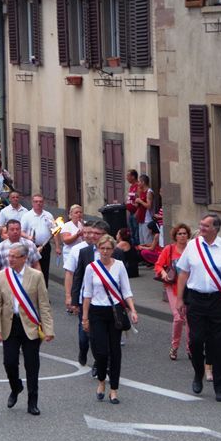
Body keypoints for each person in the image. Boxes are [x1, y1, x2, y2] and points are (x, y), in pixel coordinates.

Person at [175, 214, 221, 402]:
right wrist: (179, 299)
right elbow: (183, 273)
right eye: (201, 224)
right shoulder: (192, 246)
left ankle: (220, 387)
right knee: (195, 341)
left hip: (217, 301)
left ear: (215, 228)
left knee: (219, 344)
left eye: (205, 225)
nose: (201, 227)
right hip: (195, 300)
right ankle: (198, 373)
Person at [0, 244, 54, 415]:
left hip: (31, 325)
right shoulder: (2, 276)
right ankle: (16, 386)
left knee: (32, 365)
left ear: (24, 258)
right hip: (9, 325)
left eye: (14, 256)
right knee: (9, 362)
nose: (10, 259)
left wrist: (48, 329)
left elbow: (43, 304)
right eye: (9, 256)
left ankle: (32, 401)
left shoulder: (36, 276)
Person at [82, 235, 139, 404]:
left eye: (108, 248)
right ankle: (101, 381)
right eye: (102, 248)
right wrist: (85, 317)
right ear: (98, 249)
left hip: (115, 312)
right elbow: (87, 294)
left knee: (115, 351)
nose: (105, 252)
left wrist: (133, 310)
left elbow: (126, 291)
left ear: (113, 250)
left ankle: (114, 389)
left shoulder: (119, 266)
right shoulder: (91, 268)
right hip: (96, 312)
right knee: (100, 351)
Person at [70, 220, 124, 369]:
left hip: (107, 302)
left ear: (106, 236)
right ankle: (83, 351)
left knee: (101, 337)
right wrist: (74, 300)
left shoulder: (117, 253)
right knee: (84, 336)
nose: (93, 236)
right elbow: (78, 277)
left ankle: (99, 363)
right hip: (87, 301)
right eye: (92, 233)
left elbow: (122, 280)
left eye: (97, 234)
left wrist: (124, 303)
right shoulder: (85, 252)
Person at [155, 223, 190, 361]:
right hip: (173, 287)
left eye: (184, 233)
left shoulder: (191, 250)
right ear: (175, 236)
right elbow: (158, 265)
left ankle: (190, 348)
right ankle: (174, 347)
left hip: (189, 288)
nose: (182, 236)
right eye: (179, 234)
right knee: (178, 317)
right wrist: (163, 273)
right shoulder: (169, 249)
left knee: (189, 319)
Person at [20, 194, 55, 287]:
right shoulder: (26, 216)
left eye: (40, 201)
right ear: (32, 203)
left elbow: (55, 231)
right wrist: (28, 237)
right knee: (31, 270)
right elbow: (21, 231)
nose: (38, 203)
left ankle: (44, 294)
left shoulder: (48, 215)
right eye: (36, 201)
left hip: (45, 246)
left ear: (43, 203)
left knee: (44, 270)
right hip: (31, 246)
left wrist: (58, 247)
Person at [134, 175, 154, 245]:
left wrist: (140, 201)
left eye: (139, 181)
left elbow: (149, 206)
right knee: (142, 241)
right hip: (141, 219)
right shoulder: (141, 192)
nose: (138, 183)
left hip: (147, 220)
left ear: (143, 182)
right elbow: (140, 205)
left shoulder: (149, 192)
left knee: (147, 240)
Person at [124, 170, 140, 246]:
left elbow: (139, 200)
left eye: (128, 176)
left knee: (136, 232)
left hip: (135, 213)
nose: (127, 178)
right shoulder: (131, 187)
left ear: (133, 177)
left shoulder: (138, 187)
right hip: (130, 213)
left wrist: (136, 213)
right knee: (132, 232)